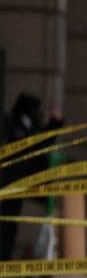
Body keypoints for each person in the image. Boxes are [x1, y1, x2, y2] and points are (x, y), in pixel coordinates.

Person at [0, 93, 62, 261]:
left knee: (10, 221)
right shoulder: (11, 124)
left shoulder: (31, 126)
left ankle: (5, 257)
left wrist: (55, 123)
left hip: (20, 181)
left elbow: (42, 142)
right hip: (6, 178)